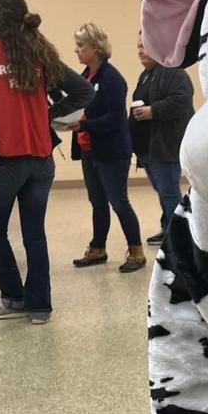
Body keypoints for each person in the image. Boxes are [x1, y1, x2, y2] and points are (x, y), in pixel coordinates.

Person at [0, 0, 94, 324]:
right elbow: (84, 90)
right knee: (35, 234)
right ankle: (40, 307)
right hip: (41, 158)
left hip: (5, 158)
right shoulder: (38, 51)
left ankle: (14, 298)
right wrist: (48, 113)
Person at [67, 23, 144, 273]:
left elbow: (114, 118)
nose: (76, 50)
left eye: (81, 45)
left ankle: (136, 251)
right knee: (97, 202)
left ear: (95, 47)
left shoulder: (112, 78)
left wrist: (83, 124)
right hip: (89, 150)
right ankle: (98, 248)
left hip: (112, 151)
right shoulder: (84, 77)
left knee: (118, 201)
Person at [130, 36, 194, 247]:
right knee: (162, 190)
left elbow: (181, 100)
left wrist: (153, 111)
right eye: (138, 46)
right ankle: (168, 227)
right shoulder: (146, 75)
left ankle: (180, 236)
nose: (141, 51)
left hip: (167, 145)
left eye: (145, 46)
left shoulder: (174, 72)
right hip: (149, 147)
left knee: (169, 192)